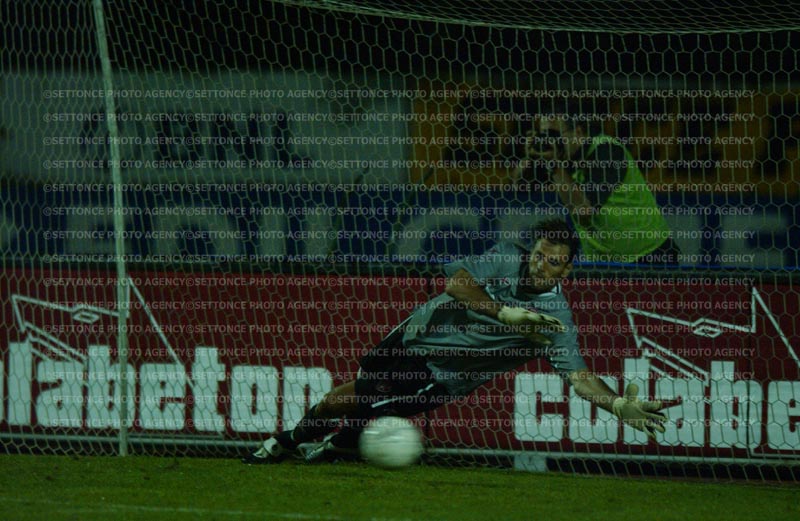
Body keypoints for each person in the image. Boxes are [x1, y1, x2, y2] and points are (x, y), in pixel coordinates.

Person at [242, 219, 666, 464]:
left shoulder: (555, 322)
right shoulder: (507, 256)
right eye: (539, 255)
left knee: (347, 398)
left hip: (439, 373)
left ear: (567, 270)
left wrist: (616, 404)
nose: (540, 266)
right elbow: (458, 283)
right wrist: (502, 312)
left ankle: (286, 441)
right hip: (417, 331)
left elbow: (580, 377)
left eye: (553, 262)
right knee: (365, 388)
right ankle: (341, 445)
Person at [512, 108, 681, 265]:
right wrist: (530, 157)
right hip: (605, 264)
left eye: (554, 134)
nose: (549, 141)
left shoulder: (606, 152)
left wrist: (554, 165)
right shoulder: (560, 158)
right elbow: (520, 186)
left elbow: (583, 212)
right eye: (544, 135)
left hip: (650, 256)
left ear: (578, 133)